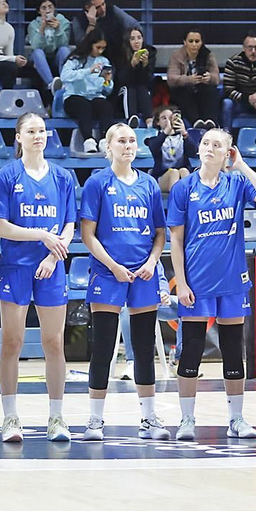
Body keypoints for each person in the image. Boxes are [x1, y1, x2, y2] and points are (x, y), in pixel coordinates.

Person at [166, 127, 256, 440]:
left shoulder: (237, 182)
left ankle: (237, 418)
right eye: (205, 143)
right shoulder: (184, 188)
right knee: (192, 351)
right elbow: (176, 239)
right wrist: (182, 283)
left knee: (232, 348)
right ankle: (187, 419)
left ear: (227, 152)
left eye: (217, 145)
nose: (209, 149)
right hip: (196, 282)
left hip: (231, 280)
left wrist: (241, 165)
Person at [0, 113, 79, 443]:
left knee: (54, 342)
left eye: (42, 130)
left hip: (51, 267)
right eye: (31, 131)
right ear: (18, 137)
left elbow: (69, 226)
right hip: (16, 266)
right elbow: (1, 227)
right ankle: (10, 418)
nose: (38, 136)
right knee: (11, 342)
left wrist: (54, 254)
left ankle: (57, 417)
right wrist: (42, 235)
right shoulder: (5, 177)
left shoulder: (63, 177)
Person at [80, 123, 168, 442]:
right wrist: (113, 265)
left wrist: (152, 262)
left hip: (143, 273)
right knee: (103, 347)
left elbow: (160, 233)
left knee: (144, 348)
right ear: (109, 146)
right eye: (121, 140)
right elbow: (87, 234)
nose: (128, 145)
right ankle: (94, 421)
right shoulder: (97, 183)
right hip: (108, 272)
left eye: (132, 140)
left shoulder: (148, 185)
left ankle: (148, 418)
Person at [60, 28, 118, 152]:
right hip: (74, 97)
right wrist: (88, 71)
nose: (101, 51)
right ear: (90, 45)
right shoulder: (75, 59)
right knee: (83, 106)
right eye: (98, 47)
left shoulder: (104, 61)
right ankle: (88, 140)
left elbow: (107, 91)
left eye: (103, 48)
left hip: (95, 97)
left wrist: (107, 81)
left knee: (106, 106)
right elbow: (64, 76)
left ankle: (104, 141)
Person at [165, 28, 221, 127]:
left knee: (211, 90)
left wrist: (209, 77)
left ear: (202, 42)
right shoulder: (176, 56)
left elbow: (216, 78)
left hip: (201, 90)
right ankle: (196, 122)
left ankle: (210, 121)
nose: (194, 44)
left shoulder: (208, 55)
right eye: (191, 41)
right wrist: (189, 79)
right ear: (184, 42)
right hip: (184, 91)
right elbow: (171, 79)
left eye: (197, 41)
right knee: (183, 92)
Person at [70, 0, 142, 60]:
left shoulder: (112, 10)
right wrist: (91, 24)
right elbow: (81, 47)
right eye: (98, 7)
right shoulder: (79, 20)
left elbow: (135, 25)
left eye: (103, 4)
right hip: (94, 59)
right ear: (88, 8)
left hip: (117, 54)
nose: (103, 9)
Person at [146, 105, 197, 193]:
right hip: (162, 178)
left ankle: (189, 199)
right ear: (158, 122)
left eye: (170, 118)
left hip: (181, 174)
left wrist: (185, 133)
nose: (168, 121)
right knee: (173, 172)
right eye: (164, 118)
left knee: (184, 170)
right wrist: (166, 132)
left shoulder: (183, 137)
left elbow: (193, 152)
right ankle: (174, 202)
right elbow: (154, 147)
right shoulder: (154, 138)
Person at [24, 0, 70, 92]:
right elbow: (35, 47)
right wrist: (42, 29)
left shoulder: (63, 21)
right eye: (43, 8)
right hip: (40, 59)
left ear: (54, 8)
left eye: (50, 7)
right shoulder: (33, 25)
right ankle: (52, 84)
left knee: (64, 50)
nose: (47, 11)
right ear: (39, 11)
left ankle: (66, 83)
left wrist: (58, 29)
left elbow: (64, 43)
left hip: (56, 57)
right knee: (37, 52)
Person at [118, 27, 158, 122]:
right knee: (129, 89)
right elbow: (121, 80)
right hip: (123, 95)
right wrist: (131, 65)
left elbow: (147, 81)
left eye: (139, 38)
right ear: (127, 41)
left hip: (141, 93)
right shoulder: (121, 54)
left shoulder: (149, 53)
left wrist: (145, 66)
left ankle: (149, 120)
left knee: (142, 88)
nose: (137, 41)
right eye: (132, 39)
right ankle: (131, 119)